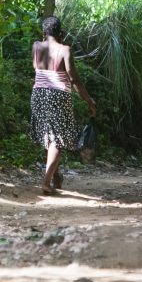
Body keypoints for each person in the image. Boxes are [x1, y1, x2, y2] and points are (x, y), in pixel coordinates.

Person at [30, 16, 96, 195]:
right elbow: (73, 78)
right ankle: (46, 181)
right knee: (57, 139)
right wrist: (89, 101)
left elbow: (36, 68)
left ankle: (56, 175)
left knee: (48, 135)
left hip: (38, 94)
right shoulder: (64, 50)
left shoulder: (36, 46)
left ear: (44, 32)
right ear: (60, 32)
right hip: (58, 95)